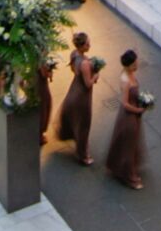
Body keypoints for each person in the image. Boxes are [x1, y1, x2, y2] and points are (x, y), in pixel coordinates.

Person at [103, 49, 148, 189]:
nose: (137, 65)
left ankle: (127, 168)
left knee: (132, 143)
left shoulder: (130, 75)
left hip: (134, 114)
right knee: (128, 145)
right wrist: (138, 110)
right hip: (129, 116)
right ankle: (128, 176)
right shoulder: (125, 80)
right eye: (134, 63)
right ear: (128, 65)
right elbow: (125, 103)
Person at [55, 30, 101, 167]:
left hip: (74, 89)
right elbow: (88, 84)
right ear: (82, 46)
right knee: (84, 124)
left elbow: (74, 71)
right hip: (82, 96)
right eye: (87, 44)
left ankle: (72, 137)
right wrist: (96, 75)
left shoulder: (74, 55)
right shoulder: (85, 64)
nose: (89, 46)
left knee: (77, 120)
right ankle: (83, 155)